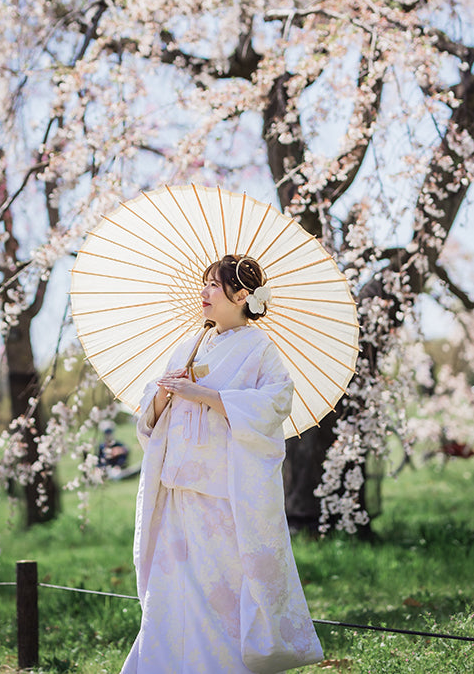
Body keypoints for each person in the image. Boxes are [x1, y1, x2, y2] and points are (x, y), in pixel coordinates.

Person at [120, 254, 323, 674]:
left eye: (214, 285)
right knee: (171, 590)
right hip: (178, 489)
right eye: (205, 283)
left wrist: (208, 396)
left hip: (223, 493)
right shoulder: (190, 343)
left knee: (217, 593)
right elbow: (151, 411)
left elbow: (275, 403)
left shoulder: (260, 349)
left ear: (241, 295)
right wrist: (163, 395)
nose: (204, 293)